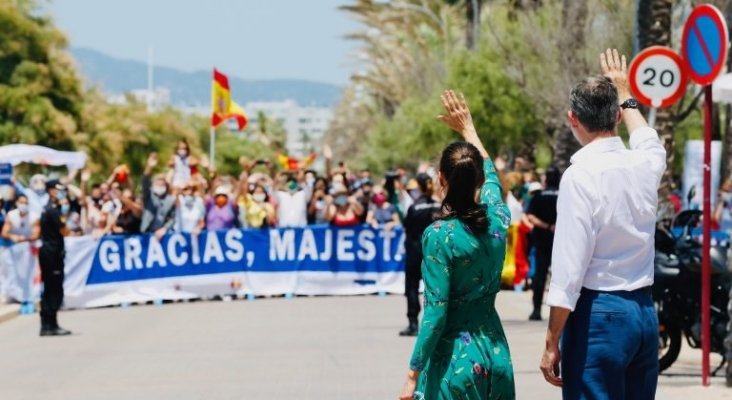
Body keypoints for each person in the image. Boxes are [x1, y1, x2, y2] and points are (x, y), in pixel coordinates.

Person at [539, 49, 665, 399]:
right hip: (643, 313)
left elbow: (569, 269)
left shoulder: (580, 176)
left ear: (573, 119)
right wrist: (624, 91)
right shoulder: (644, 163)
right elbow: (648, 139)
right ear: (616, 117)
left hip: (599, 315)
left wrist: (552, 341)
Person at [400, 90, 514, 399]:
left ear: (440, 179)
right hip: (497, 355)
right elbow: (492, 174)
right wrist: (469, 130)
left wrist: (413, 374)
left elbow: (436, 312)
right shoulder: (498, 218)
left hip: (456, 364)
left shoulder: (439, 236)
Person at [399, 173, 440, 337]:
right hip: (432, 253)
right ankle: (434, 323)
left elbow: (407, 228)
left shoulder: (414, 208)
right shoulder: (438, 206)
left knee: (412, 288)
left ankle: (413, 323)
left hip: (414, 252)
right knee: (436, 288)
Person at [38, 179, 72, 336]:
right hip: (52, 254)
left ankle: (48, 325)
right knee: (54, 290)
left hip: (49, 252)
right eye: (58, 190)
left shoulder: (50, 208)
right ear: (51, 190)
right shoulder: (52, 210)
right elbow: (65, 231)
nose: (61, 193)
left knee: (49, 289)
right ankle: (50, 324)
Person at [526, 167, 560, 320]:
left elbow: (531, 217)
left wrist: (546, 226)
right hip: (561, 243)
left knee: (540, 276)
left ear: (545, 180)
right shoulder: (565, 195)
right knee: (562, 279)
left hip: (541, 242)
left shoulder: (538, 196)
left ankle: (536, 310)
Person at [1, 195, 40, 314]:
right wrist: (13, 237)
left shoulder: (34, 217)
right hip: (13, 248)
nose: (24, 205)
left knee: (29, 272)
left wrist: (24, 239)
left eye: (26, 203)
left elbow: (36, 234)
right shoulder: (11, 215)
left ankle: (29, 296)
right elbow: (4, 232)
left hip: (29, 247)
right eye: (22, 202)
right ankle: (15, 295)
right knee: (12, 272)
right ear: (17, 203)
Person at [141, 153, 176, 240]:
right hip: (147, 234)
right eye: (157, 184)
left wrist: (165, 228)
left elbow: (173, 218)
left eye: (162, 185)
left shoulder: (170, 200)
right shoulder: (149, 196)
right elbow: (145, 182)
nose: (160, 186)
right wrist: (149, 167)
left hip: (163, 236)